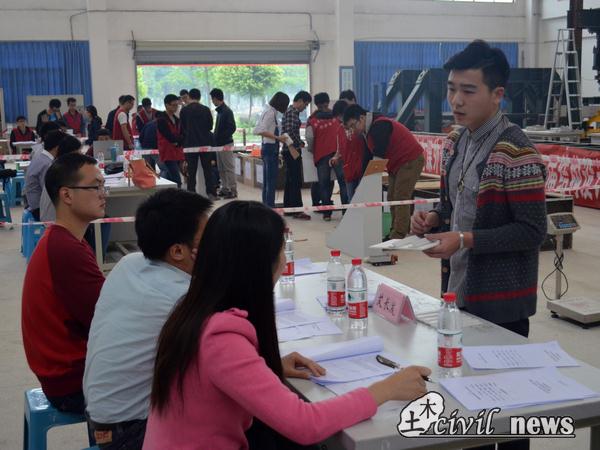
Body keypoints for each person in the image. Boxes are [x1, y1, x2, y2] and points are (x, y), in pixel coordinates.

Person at [142, 201, 430, 449]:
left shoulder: (194, 310)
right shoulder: (221, 338)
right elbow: (305, 424)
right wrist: (386, 390)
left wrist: (268, 368)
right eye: (282, 251)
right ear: (258, 265)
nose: (284, 260)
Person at [412, 40, 547, 345]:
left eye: (468, 91)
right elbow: (454, 206)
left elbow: (532, 231)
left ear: (497, 94)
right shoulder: (455, 143)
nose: (456, 100)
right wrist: (434, 218)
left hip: (501, 304)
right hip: (456, 289)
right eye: (451, 89)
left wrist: (464, 239)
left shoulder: (517, 153)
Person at [84, 189, 212, 449]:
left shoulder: (128, 264)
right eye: (208, 239)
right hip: (133, 431)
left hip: (100, 419)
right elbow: (229, 358)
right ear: (178, 251)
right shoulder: (182, 298)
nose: (216, 245)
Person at [22, 152, 106, 414]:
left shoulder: (63, 240)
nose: (103, 194)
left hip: (64, 373)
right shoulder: (66, 249)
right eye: (95, 187)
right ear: (67, 195)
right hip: (71, 382)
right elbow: (106, 319)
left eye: (103, 186)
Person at [344, 104, 424, 239]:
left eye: (352, 125)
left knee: (400, 197)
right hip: (396, 164)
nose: (352, 130)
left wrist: (368, 184)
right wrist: (363, 181)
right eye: (349, 128)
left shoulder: (379, 126)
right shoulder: (367, 131)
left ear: (361, 118)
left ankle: (398, 235)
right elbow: (367, 158)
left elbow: (378, 157)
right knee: (391, 197)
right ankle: (395, 230)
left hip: (410, 160)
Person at [306, 92, 348, 221]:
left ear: (316, 104)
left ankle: (327, 214)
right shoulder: (337, 117)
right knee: (343, 182)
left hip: (321, 155)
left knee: (323, 184)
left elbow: (310, 137)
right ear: (328, 102)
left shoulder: (312, 120)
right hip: (338, 153)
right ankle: (346, 211)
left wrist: (311, 149)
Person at [253, 92, 289, 208]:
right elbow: (259, 130)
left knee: (268, 180)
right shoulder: (270, 113)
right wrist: (278, 138)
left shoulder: (269, 111)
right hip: (270, 148)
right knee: (271, 181)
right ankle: (269, 207)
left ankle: (266, 206)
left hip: (268, 147)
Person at [40, 134, 87, 222]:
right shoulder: (64, 173)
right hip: (56, 221)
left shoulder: (57, 167)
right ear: (70, 155)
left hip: (51, 217)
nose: (81, 156)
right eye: (78, 153)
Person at [179, 88, 216, 198]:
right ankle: (211, 192)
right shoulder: (206, 109)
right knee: (207, 170)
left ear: (189, 96)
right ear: (200, 97)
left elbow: (182, 128)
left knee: (191, 171)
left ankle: (191, 194)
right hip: (205, 143)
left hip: (190, 144)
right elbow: (210, 126)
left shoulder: (184, 111)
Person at [281, 91, 312, 220]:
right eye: (305, 104)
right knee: (295, 181)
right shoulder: (292, 113)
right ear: (299, 101)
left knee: (290, 180)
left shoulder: (290, 112)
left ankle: (289, 208)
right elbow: (289, 132)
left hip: (289, 150)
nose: (305, 107)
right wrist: (299, 143)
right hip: (291, 150)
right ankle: (297, 210)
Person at [24, 130, 67, 220]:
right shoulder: (47, 164)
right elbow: (49, 191)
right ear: (57, 148)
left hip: (33, 204)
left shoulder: (40, 158)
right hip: (39, 209)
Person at [210, 88, 237, 199]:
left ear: (216, 98)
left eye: (212, 99)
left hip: (225, 144)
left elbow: (232, 127)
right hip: (219, 145)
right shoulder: (220, 111)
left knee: (228, 168)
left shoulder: (227, 111)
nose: (212, 101)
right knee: (221, 168)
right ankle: (225, 189)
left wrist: (221, 138)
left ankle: (233, 190)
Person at [157, 95, 185, 188]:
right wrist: (177, 140)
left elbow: (183, 134)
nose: (176, 107)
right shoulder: (161, 119)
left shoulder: (177, 119)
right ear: (166, 105)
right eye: (173, 105)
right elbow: (168, 136)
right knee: (176, 179)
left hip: (177, 152)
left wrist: (178, 141)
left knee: (172, 178)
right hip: (167, 153)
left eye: (177, 105)